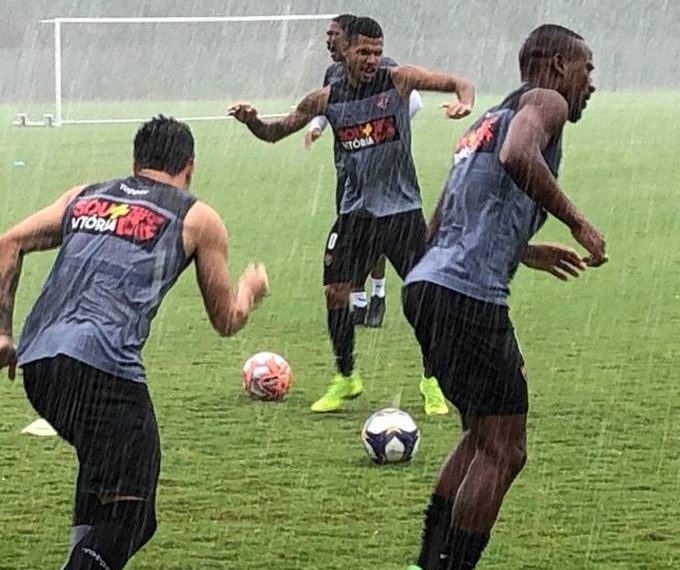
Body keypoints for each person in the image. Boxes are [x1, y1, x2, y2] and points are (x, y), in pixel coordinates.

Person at [0, 116, 269, 570]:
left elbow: (7, 243)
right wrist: (250, 290)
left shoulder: (84, 195)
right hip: (104, 371)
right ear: (189, 168)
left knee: (100, 474)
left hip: (40, 366)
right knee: (134, 514)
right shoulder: (198, 217)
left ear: (134, 163)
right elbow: (226, 320)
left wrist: (2, 334)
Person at [401, 24, 606, 570]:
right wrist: (579, 222)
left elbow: (447, 218)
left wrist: (523, 249)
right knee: (506, 450)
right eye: (588, 70)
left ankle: (427, 561)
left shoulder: (484, 121)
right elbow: (519, 155)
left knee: (479, 435)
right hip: (468, 297)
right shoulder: (546, 101)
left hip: (426, 286)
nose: (592, 83)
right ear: (560, 66)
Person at [229, 16, 474, 415]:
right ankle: (346, 377)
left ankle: (432, 380)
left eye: (377, 52)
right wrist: (252, 120)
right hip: (355, 215)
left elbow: (458, 82)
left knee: (425, 298)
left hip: (401, 212)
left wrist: (465, 101)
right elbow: (275, 133)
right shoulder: (326, 100)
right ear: (345, 51)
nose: (372, 59)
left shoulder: (398, 80)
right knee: (335, 292)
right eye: (364, 51)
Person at [304, 13, 425, 328]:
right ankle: (358, 301)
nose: (328, 40)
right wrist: (317, 127)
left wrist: (380, 130)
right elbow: (324, 108)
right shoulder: (332, 74)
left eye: (334, 34)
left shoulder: (387, 71)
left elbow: (414, 103)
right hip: (348, 170)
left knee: (382, 237)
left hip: (384, 174)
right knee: (356, 240)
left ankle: (379, 295)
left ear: (346, 40)